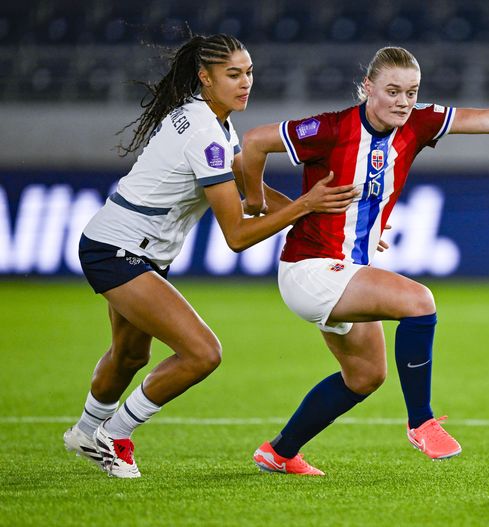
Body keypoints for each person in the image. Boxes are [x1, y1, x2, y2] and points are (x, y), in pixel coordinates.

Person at [241, 46, 489, 475]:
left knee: (364, 377)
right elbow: (252, 144)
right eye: (393, 91)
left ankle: (279, 452)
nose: (403, 102)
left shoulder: (419, 122)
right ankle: (421, 421)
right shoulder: (329, 129)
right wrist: (262, 202)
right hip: (309, 270)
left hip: (346, 267)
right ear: (368, 88)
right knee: (419, 302)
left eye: (411, 92)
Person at [62, 33, 358, 479]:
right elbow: (237, 235)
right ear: (205, 78)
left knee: (129, 355)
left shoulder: (211, 121)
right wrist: (305, 206)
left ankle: (85, 431)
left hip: (129, 247)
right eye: (233, 74)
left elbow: (248, 189)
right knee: (202, 353)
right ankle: (114, 434)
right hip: (117, 250)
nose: (245, 83)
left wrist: (321, 215)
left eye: (249, 73)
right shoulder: (205, 134)